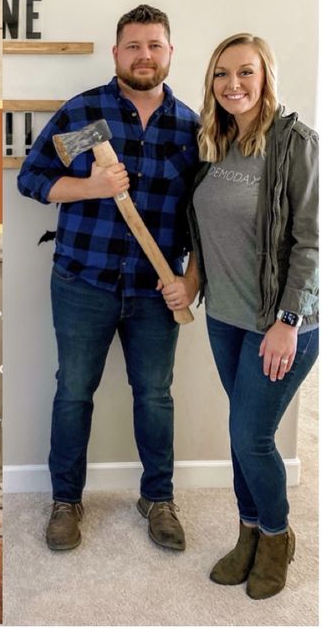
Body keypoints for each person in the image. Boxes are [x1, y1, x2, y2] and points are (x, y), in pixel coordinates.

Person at [17, 4, 200, 553]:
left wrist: (190, 281)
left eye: (155, 45)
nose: (145, 55)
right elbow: (34, 178)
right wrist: (92, 187)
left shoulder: (192, 129)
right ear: (116, 52)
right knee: (73, 394)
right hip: (83, 281)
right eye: (134, 46)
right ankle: (65, 500)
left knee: (155, 396)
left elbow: (203, 216)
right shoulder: (85, 115)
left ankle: (158, 498)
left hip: (155, 289)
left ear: (170, 52)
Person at [188, 34, 318, 599]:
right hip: (225, 318)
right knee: (242, 437)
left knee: (251, 435)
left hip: (281, 324)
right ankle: (247, 535)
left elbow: (311, 244)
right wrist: (191, 282)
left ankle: (276, 535)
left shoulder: (296, 144)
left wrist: (287, 321)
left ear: (265, 77)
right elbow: (207, 234)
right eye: (221, 74)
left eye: (245, 72)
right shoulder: (215, 143)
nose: (232, 84)